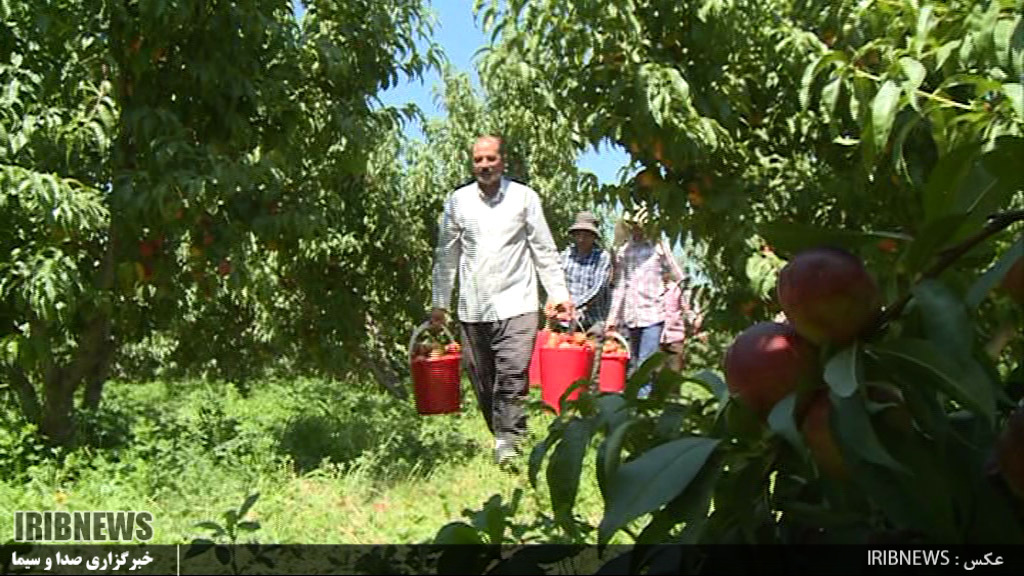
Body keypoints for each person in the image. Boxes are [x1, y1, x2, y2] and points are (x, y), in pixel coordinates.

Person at [430, 135, 574, 465]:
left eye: (491, 158)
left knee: (512, 373)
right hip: (473, 306)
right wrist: (440, 302)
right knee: (483, 380)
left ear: (503, 161)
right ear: (472, 163)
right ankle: (502, 435)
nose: (484, 165)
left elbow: (544, 249)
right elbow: (447, 255)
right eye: (479, 159)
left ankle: (510, 441)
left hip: (518, 302)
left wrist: (558, 294)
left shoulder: (524, 198)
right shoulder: (458, 201)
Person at [605, 203, 686, 398]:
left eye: (640, 225)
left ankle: (642, 404)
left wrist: (684, 309)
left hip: (653, 314)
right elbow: (620, 286)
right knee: (632, 361)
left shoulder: (658, 248)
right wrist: (612, 317)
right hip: (631, 315)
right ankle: (632, 403)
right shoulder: (624, 251)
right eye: (633, 225)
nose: (637, 229)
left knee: (646, 361)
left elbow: (679, 276)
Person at [559, 211, 613, 338]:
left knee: (593, 353)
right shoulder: (565, 255)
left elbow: (598, 289)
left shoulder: (602, 257)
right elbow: (558, 282)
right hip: (567, 321)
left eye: (586, 235)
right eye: (578, 235)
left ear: (594, 237)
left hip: (593, 320)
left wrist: (574, 305)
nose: (581, 239)